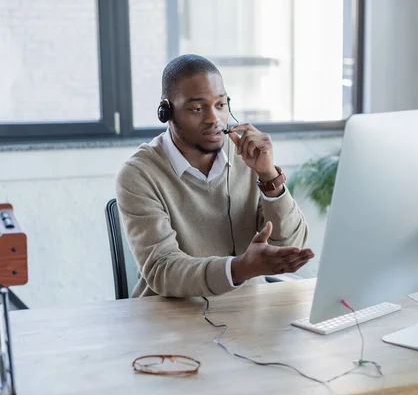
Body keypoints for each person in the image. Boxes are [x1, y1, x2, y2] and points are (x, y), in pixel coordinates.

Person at [116, 54, 313, 298]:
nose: (214, 119)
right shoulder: (139, 174)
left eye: (220, 105)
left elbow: (289, 245)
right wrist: (239, 269)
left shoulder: (248, 155)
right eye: (197, 109)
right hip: (170, 320)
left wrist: (269, 176)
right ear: (166, 111)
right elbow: (162, 269)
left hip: (248, 313)